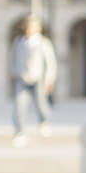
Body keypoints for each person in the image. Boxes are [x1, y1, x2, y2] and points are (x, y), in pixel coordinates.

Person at [10, 16, 57, 146]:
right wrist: (15, 73)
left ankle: (44, 122)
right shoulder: (19, 42)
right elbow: (13, 58)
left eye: (32, 28)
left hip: (38, 78)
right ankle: (19, 132)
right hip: (22, 78)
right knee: (19, 106)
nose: (29, 30)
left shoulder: (43, 43)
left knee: (41, 103)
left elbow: (50, 62)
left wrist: (49, 80)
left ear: (38, 29)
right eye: (28, 27)